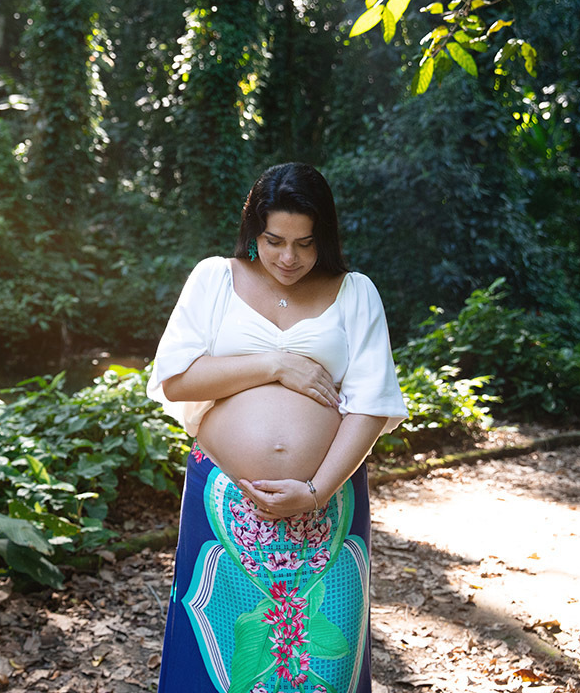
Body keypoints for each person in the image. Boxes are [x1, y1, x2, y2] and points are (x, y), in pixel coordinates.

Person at [146, 162, 407, 693]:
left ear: (324, 239)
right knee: (218, 656)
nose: (289, 258)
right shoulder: (214, 278)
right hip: (225, 502)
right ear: (253, 231)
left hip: (328, 504)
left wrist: (314, 491)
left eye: (305, 244)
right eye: (274, 240)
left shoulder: (355, 292)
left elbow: (372, 404)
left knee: (323, 662)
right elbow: (175, 379)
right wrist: (275, 364)